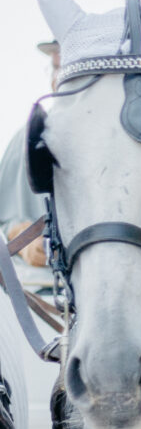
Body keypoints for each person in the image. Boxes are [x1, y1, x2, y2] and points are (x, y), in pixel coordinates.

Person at [0, 41, 59, 269]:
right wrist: (23, 240)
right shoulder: (27, 139)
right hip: (36, 293)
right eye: (56, 67)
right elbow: (3, 223)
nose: (60, 76)